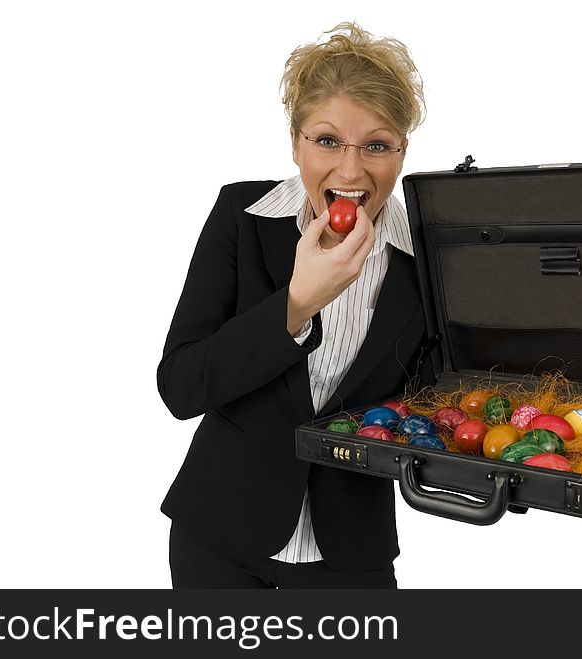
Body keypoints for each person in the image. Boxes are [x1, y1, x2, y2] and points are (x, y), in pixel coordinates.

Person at [157, 22, 428, 588]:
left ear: (402, 151)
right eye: (327, 140)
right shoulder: (241, 217)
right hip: (221, 537)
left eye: (376, 145)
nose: (351, 172)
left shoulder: (427, 256)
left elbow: (436, 403)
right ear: (295, 141)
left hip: (352, 551)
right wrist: (297, 304)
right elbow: (181, 387)